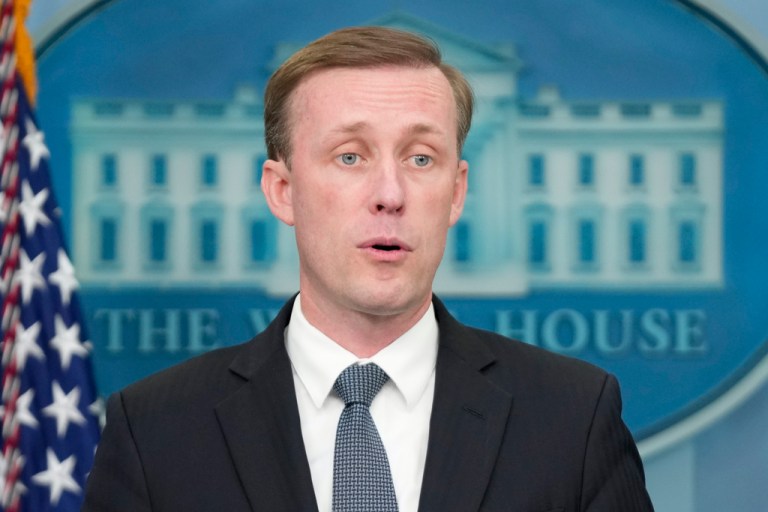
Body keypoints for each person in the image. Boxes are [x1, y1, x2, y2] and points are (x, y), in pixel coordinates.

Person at [83, 26, 654, 511]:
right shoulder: (154, 429)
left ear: (455, 194)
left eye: (420, 158)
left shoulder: (573, 417)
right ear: (282, 191)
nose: (390, 194)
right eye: (350, 156)